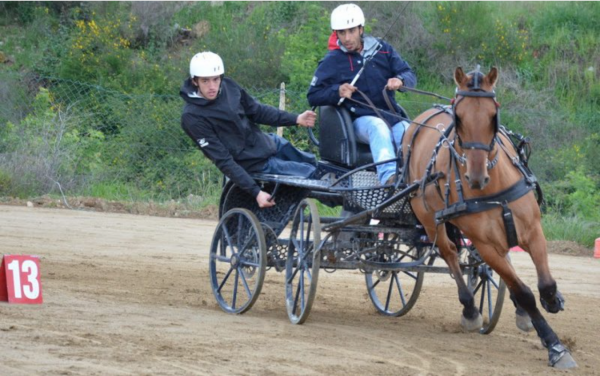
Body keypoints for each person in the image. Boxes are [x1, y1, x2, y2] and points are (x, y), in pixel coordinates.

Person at [181, 51, 318, 208]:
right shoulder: (192, 117)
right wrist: (256, 192)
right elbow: (223, 160)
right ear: (195, 81)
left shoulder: (229, 87)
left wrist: (295, 119)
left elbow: (257, 111)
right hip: (253, 163)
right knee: (311, 175)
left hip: (268, 143)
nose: (212, 86)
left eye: (215, 79)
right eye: (205, 81)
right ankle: (348, 208)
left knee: (315, 164)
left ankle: (348, 213)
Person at [307, 3, 417, 186]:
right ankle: (389, 179)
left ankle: (416, 179)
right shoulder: (332, 60)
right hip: (358, 123)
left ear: (361, 29)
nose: (347, 38)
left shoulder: (383, 49)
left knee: (412, 133)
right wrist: (337, 91)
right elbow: (313, 95)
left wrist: (401, 81)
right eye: (342, 33)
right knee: (378, 127)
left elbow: (409, 74)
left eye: (351, 31)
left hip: (392, 117)